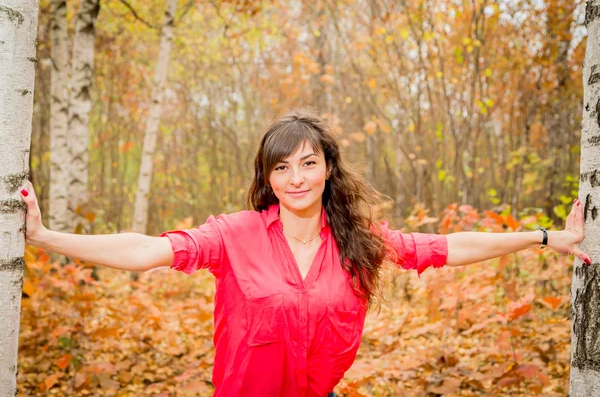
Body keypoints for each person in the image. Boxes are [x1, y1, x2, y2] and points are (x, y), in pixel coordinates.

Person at [20, 109, 590, 397]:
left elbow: (448, 246)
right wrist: (46, 237)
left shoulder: (358, 242)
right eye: (282, 166)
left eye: (308, 162)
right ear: (268, 178)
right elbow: (145, 251)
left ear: (328, 169)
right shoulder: (235, 234)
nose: (296, 178)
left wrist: (546, 237)